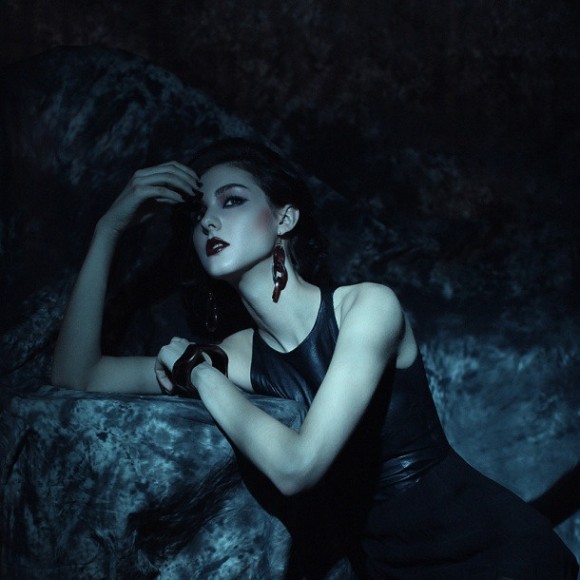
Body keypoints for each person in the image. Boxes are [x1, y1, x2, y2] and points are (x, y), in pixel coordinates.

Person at [52, 138, 578, 579]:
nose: (209, 221)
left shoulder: (367, 307)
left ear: (284, 217)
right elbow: (76, 374)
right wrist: (109, 228)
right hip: (388, 569)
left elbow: (297, 468)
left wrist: (201, 376)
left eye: (231, 201)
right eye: (198, 214)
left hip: (497, 556)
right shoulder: (240, 353)